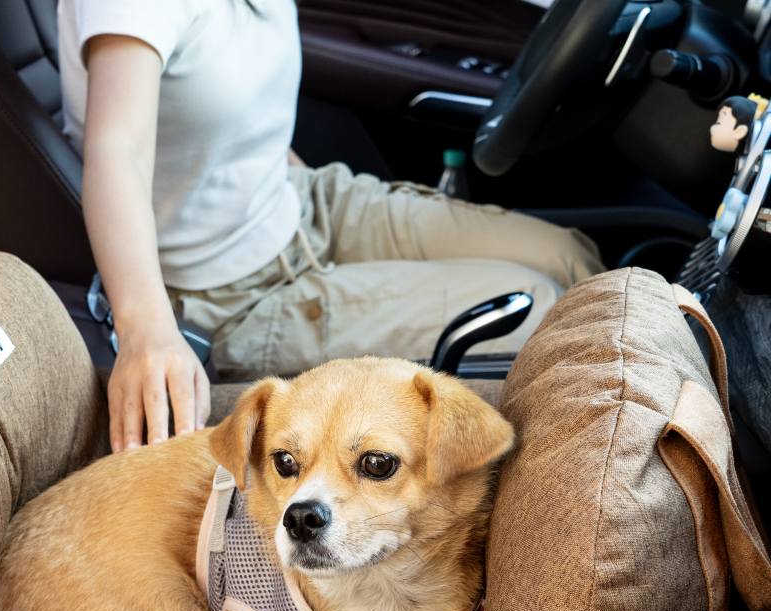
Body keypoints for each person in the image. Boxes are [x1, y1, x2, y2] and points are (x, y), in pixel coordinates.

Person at [58, 0, 603, 453]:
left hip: (307, 203)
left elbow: (236, 108)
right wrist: (145, 332)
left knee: (571, 260)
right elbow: (115, 152)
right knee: (544, 307)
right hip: (230, 296)